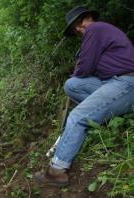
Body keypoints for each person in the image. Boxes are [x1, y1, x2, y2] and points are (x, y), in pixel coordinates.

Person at [35, 6, 134, 187]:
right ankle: (100, 112)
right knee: (72, 85)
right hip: (112, 81)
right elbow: (83, 73)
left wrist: (78, 69)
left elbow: (85, 66)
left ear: (88, 18)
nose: (78, 29)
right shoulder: (101, 31)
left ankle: (57, 171)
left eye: (79, 24)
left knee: (77, 116)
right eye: (75, 28)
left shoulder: (95, 28)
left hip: (126, 83)